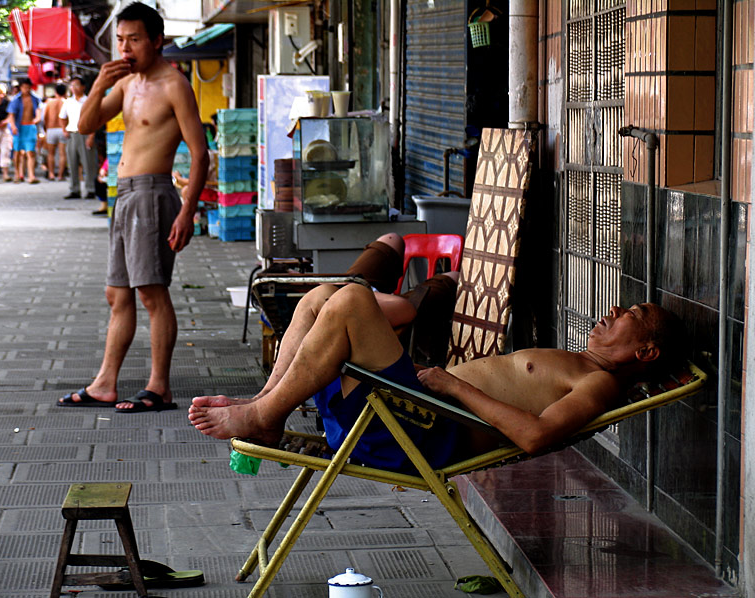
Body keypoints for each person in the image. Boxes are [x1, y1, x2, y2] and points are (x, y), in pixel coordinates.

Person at [188, 286, 682, 471]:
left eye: (631, 313)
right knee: (321, 296)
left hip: (423, 431)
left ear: (645, 350)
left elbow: (534, 437)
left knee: (353, 302)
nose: (614, 309)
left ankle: (260, 414)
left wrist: (454, 386)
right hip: (409, 412)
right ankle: (266, 405)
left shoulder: (599, 385)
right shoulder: (579, 361)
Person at [57, 2, 209, 412]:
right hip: (124, 194)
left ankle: (159, 387)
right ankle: (105, 383)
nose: (126, 48)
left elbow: (200, 154)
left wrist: (187, 210)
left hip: (153, 194)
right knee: (116, 294)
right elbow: (85, 125)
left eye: (135, 39)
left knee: (150, 292)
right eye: (120, 40)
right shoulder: (126, 84)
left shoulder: (173, 85)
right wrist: (97, 85)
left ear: (157, 40)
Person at [60, 76, 98, 199]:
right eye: (72, 86)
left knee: (88, 163)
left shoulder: (88, 101)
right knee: (72, 162)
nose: (74, 88)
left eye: (76, 85)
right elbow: (62, 117)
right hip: (72, 133)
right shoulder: (68, 102)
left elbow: (94, 119)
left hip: (85, 133)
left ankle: (90, 188)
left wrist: (91, 136)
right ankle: (74, 189)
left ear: (83, 87)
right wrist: (64, 129)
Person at [6, 78, 42, 184]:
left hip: (30, 127)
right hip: (18, 127)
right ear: (20, 88)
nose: (26, 89)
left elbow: (38, 112)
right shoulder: (16, 100)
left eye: (28, 87)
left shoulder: (35, 99)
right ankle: (17, 174)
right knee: (17, 152)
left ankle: (31, 175)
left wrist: (36, 119)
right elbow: (11, 115)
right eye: (24, 87)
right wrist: (13, 126)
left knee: (30, 152)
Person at [43, 84, 68, 181]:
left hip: (51, 129)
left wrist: (46, 129)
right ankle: (61, 175)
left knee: (51, 154)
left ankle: (51, 174)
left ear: (55, 92)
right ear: (65, 92)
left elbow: (45, 117)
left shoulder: (49, 103)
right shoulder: (65, 102)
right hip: (62, 129)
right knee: (62, 154)